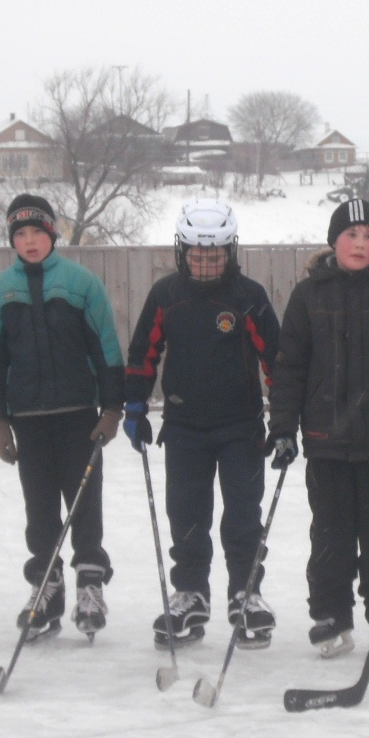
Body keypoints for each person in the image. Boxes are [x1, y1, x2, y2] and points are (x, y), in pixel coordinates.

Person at [267, 197, 369, 659]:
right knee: (331, 535)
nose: (360, 244)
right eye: (351, 235)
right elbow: (290, 367)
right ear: (333, 240)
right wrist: (283, 428)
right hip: (325, 441)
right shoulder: (308, 295)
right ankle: (330, 616)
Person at [123, 197, 281, 649]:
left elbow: (276, 360)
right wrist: (135, 406)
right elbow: (143, 354)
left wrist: (284, 421)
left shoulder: (248, 297)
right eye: (197, 255)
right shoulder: (166, 296)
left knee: (242, 516)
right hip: (184, 427)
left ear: (230, 252)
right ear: (181, 252)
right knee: (187, 515)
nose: (206, 264)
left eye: (215, 256)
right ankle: (190, 593)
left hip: (240, 428)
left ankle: (245, 593)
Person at [0, 194, 124, 642]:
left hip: (78, 416)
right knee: (39, 509)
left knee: (83, 505)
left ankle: (90, 585)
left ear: (51, 235)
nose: (29, 242)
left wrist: (113, 408)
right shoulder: (1, 289)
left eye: (37, 233)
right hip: (28, 416)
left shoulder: (81, 283)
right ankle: (47, 588)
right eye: (20, 234)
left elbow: (105, 349)